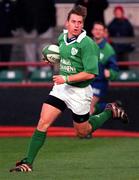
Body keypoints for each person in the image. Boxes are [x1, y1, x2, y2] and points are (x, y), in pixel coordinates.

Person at [10, 5, 128, 172]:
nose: (77, 25)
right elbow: (64, 58)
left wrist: (65, 77)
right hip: (62, 88)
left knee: (82, 132)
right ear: (66, 23)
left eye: (80, 22)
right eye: (73, 21)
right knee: (43, 122)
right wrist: (52, 60)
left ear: (82, 24)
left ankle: (109, 110)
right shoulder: (62, 37)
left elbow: (90, 74)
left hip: (80, 92)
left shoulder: (88, 45)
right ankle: (27, 162)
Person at [90, 22, 119, 115]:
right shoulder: (87, 45)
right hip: (86, 82)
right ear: (92, 31)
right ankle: (110, 107)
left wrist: (110, 73)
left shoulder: (108, 50)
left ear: (104, 32)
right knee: (85, 109)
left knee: (88, 109)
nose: (98, 31)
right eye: (96, 29)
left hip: (99, 83)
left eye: (100, 30)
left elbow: (115, 70)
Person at [108, 5, 135, 70]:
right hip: (115, 48)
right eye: (116, 12)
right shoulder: (111, 24)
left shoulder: (127, 23)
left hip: (125, 48)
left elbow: (131, 35)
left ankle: (125, 78)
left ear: (122, 13)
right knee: (115, 65)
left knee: (125, 64)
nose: (118, 13)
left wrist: (131, 45)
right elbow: (109, 35)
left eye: (119, 12)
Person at [0, 0, 17, 70]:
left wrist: (14, 29)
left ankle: (5, 71)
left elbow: (14, 18)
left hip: (7, 34)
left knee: (6, 55)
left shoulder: (11, 4)